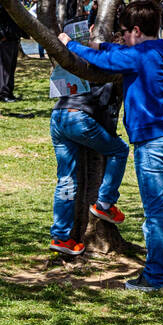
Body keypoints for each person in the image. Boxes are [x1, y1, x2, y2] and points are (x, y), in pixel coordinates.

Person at [62, 0, 163, 291]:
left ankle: (155, 278)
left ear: (135, 29)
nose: (121, 38)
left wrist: (72, 44)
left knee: (156, 214)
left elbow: (108, 62)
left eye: (123, 32)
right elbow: (121, 53)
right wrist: (105, 45)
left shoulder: (139, 56)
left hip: (151, 143)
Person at [45, 80, 130, 256]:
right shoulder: (110, 66)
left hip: (59, 114)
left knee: (66, 179)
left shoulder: (79, 61)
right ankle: (105, 203)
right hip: (79, 117)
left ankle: (60, 236)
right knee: (120, 150)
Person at [0, 0, 28, 102]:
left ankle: (9, 91)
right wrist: (1, 35)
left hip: (14, 34)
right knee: (6, 65)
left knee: (12, 65)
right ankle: (3, 93)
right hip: (6, 36)